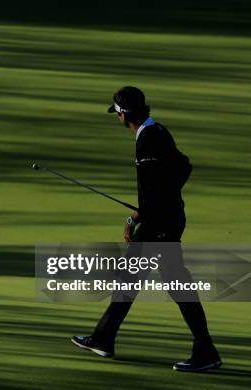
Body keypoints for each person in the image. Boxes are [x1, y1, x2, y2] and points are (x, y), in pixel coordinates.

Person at [71, 86, 222, 372]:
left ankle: (204, 350)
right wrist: (155, 205)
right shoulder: (157, 130)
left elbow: (158, 185)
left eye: (117, 113)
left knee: (151, 281)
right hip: (165, 219)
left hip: (160, 224)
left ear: (125, 114)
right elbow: (182, 168)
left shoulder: (148, 139)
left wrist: (137, 217)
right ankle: (105, 338)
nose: (117, 118)